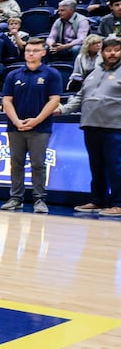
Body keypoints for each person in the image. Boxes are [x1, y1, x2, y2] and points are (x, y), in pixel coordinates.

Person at [0, 39, 62, 213]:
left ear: (43, 52)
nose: (31, 53)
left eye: (35, 50)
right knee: (16, 163)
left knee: (38, 164)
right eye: (28, 50)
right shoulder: (14, 75)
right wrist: (17, 121)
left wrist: (36, 120)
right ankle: (15, 198)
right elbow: (6, 100)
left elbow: (55, 100)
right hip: (15, 127)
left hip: (40, 128)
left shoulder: (51, 74)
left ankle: (39, 199)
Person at [60, 36, 121, 215]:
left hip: (115, 127)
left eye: (117, 50)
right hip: (91, 125)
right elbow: (80, 96)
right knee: (96, 166)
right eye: (109, 50)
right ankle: (98, 200)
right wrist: (63, 110)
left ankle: (118, 203)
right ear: (102, 53)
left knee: (116, 166)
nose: (113, 53)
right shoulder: (94, 72)